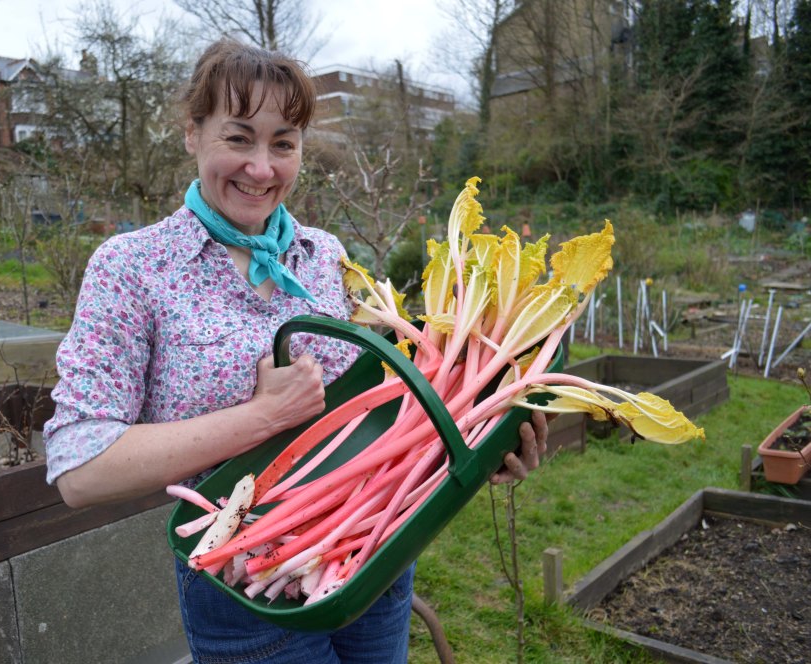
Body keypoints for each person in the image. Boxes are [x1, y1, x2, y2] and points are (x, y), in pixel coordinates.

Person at [43, 38, 549, 664]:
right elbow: (80, 469)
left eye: (283, 143)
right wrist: (263, 418)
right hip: (248, 587)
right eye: (238, 138)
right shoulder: (133, 268)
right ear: (192, 134)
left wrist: (472, 446)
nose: (262, 168)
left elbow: (381, 411)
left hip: (375, 560)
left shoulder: (325, 256)